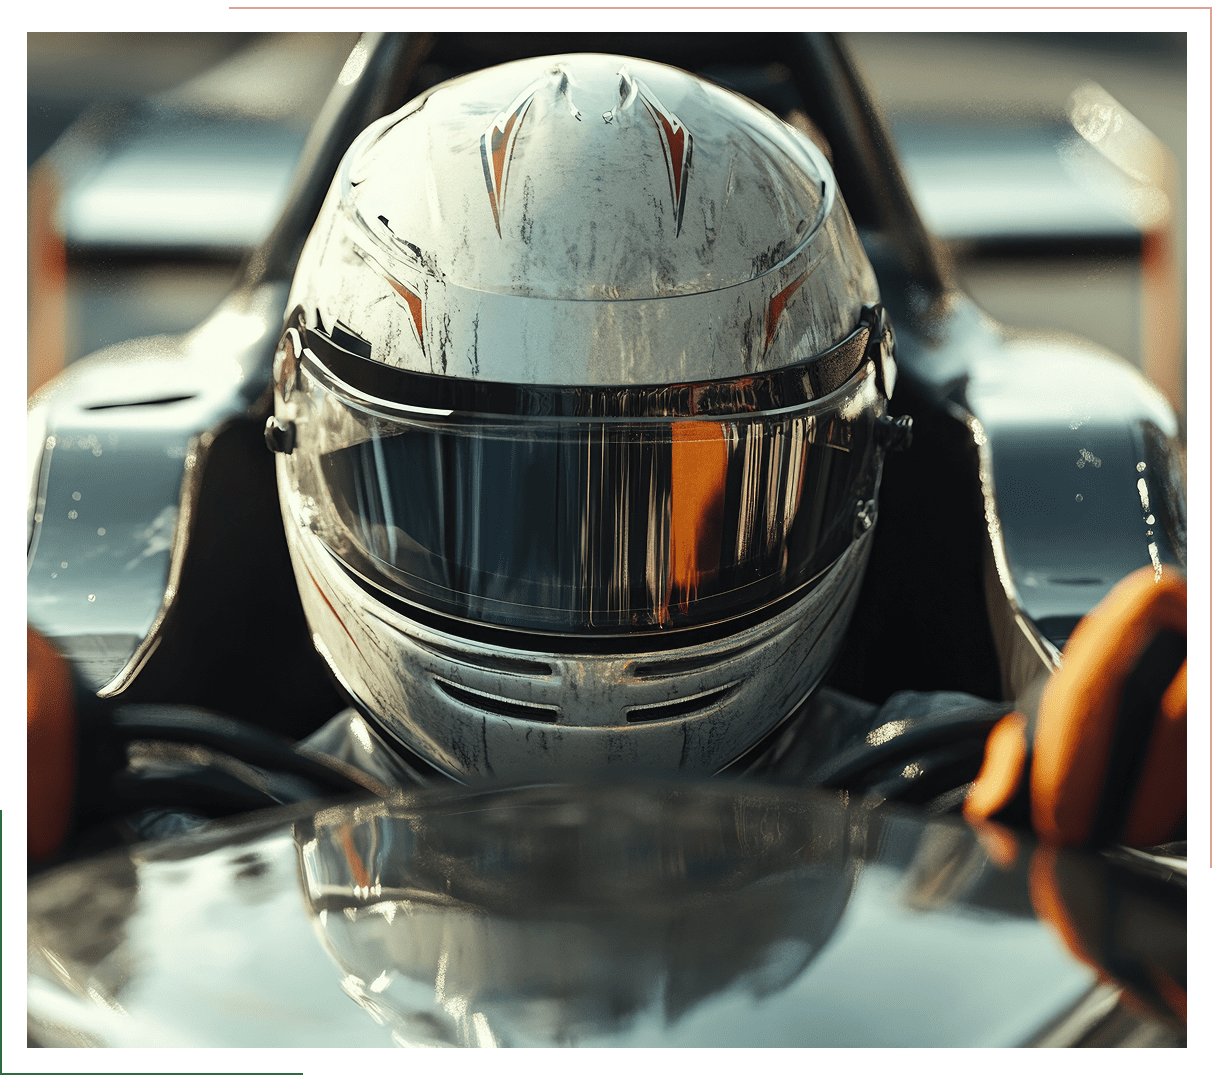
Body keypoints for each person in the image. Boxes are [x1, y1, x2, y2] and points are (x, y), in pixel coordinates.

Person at [29, 53, 1185, 862]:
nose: (587, 624)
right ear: (300, 434)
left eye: (689, 508)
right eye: (487, 503)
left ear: (866, 454)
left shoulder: (1000, 781)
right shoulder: (968, 833)